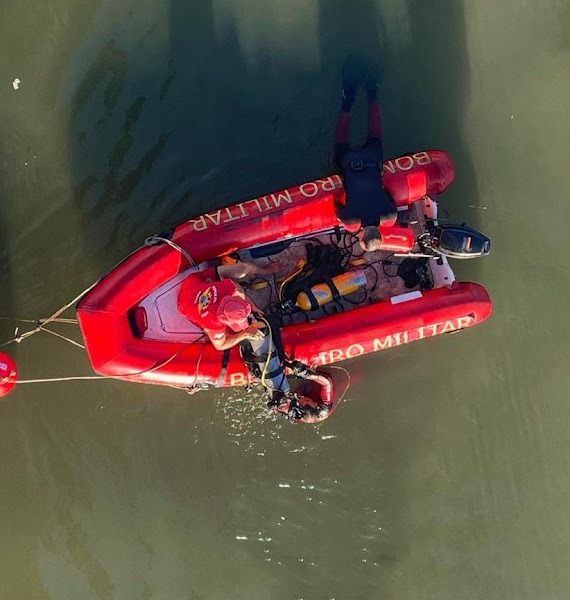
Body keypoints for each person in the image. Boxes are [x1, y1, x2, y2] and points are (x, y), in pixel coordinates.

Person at [178, 260, 293, 404]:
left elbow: (238, 292)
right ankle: (254, 310)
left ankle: (266, 270)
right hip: (185, 306)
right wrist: (243, 334)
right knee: (230, 334)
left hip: (194, 282)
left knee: (242, 269)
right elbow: (220, 345)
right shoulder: (213, 322)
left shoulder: (228, 287)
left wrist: (255, 311)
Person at [333, 58, 398, 252]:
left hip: (372, 161)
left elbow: (388, 193)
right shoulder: (351, 222)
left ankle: (372, 93)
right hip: (350, 165)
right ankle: (347, 101)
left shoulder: (390, 216)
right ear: (361, 238)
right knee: (340, 142)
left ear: (380, 234)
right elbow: (336, 204)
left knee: (375, 136)